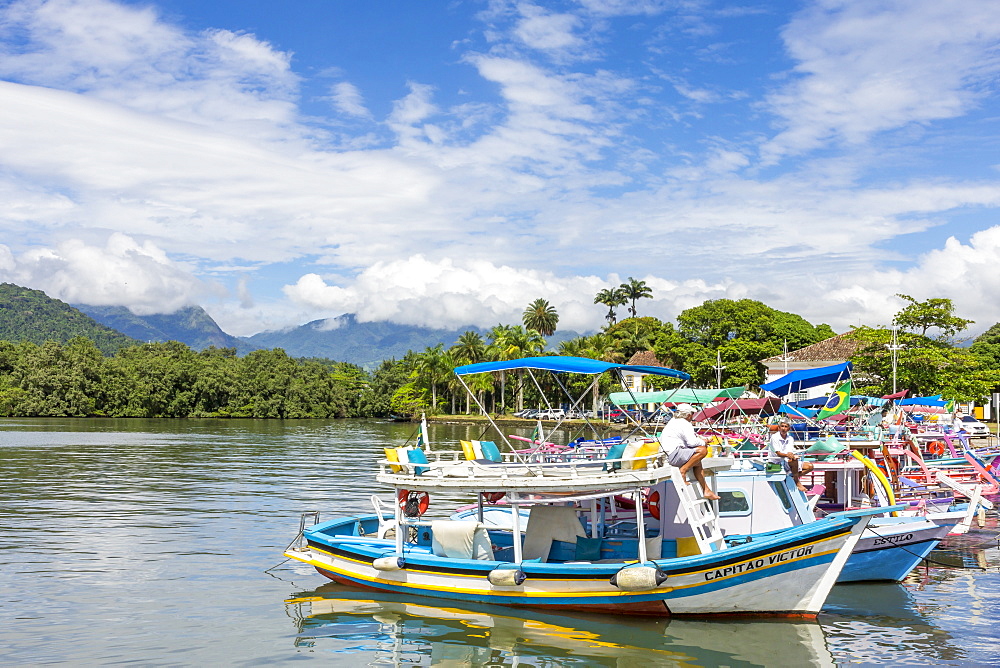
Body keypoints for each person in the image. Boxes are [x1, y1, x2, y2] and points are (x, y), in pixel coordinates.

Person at [659, 403, 720, 501]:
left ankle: (706, 490)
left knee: (697, 461)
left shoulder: (674, 421)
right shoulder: (685, 423)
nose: (693, 415)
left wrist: (701, 441)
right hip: (673, 455)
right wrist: (704, 442)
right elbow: (692, 442)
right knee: (702, 450)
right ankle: (683, 471)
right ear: (688, 415)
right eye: (692, 413)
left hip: (668, 455)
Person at [768, 419, 813, 492]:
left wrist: (791, 455)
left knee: (810, 466)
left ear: (788, 429)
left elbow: (789, 451)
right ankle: (797, 481)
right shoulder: (774, 437)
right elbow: (778, 453)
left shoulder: (790, 438)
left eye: (786, 426)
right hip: (776, 461)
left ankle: (792, 478)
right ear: (779, 428)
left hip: (786, 461)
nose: (783, 428)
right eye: (782, 426)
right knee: (794, 460)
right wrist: (790, 456)